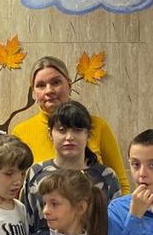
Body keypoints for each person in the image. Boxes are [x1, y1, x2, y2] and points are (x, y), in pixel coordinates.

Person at [10, 56, 128, 194]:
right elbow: (14, 189)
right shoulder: (21, 132)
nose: (49, 90)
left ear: (69, 85)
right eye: (41, 85)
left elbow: (121, 184)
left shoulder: (97, 125)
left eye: (56, 82)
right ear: (33, 93)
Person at [24, 100, 122, 232]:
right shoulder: (36, 173)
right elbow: (26, 225)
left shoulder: (106, 177)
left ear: (88, 134)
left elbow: (115, 229)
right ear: (50, 133)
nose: (69, 137)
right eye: (62, 130)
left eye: (77, 130)